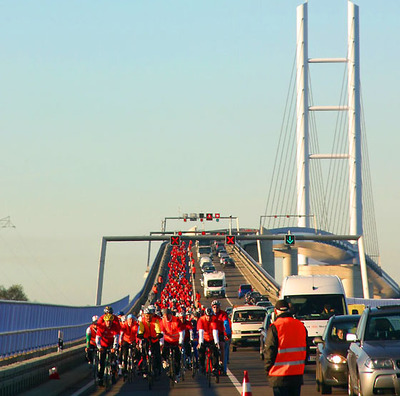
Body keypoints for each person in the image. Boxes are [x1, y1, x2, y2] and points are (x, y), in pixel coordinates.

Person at [264, 300, 307, 396]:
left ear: (275, 311)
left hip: (279, 375)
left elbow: (270, 351)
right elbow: (306, 349)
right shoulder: (300, 326)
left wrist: (268, 368)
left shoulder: (275, 327)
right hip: (296, 375)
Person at [160, 308, 185, 382]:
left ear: (171, 315)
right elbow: (162, 333)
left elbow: (181, 332)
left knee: (177, 357)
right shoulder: (163, 322)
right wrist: (161, 343)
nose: (167, 317)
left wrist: (180, 342)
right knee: (164, 350)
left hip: (176, 341)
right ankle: (165, 361)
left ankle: (177, 374)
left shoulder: (176, 320)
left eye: (168, 315)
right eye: (165, 316)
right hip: (167, 340)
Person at [96, 313, 120, 386]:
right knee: (102, 362)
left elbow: (116, 338)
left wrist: (114, 348)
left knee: (113, 360)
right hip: (103, 345)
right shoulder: (102, 327)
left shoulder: (115, 327)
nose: (108, 323)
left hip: (111, 344)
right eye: (107, 321)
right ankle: (100, 378)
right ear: (105, 321)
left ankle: (113, 375)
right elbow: (97, 339)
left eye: (110, 321)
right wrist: (99, 347)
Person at [197, 307, 219, 376]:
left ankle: (215, 368)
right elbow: (201, 332)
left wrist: (216, 343)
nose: (209, 318)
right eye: (207, 316)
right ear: (205, 315)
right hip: (204, 338)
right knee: (201, 351)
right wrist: (200, 343)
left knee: (216, 351)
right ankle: (202, 366)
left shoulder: (214, 320)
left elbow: (215, 332)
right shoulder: (201, 320)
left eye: (210, 316)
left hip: (212, 338)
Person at [211, 300, 231, 375]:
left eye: (217, 307)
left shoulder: (223, 314)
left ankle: (221, 363)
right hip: (211, 334)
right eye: (214, 307)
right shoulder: (210, 314)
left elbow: (226, 323)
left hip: (220, 333)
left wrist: (228, 332)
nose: (216, 309)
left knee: (222, 346)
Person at [119, 314, 139, 379]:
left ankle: (135, 360)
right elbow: (121, 333)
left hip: (133, 340)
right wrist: (120, 342)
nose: (130, 321)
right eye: (129, 320)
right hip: (126, 340)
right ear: (127, 320)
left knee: (136, 350)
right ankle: (124, 371)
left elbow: (137, 334)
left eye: (131, 320)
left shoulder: (135, 325)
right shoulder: (124, 325)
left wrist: (137, 343)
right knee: (124, 354)